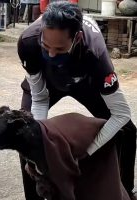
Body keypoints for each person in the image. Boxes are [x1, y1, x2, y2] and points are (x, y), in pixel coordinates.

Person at [17, 1, 137, 200]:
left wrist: (86, 152)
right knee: (24, 135)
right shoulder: (28, 42)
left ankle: (126, 191)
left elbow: (121, 114)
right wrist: (39, 138)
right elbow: (39, 97)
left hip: (85, 82)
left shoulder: (96, 54)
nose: (52, 53)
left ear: (77, 38)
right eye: (46, 47)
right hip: (47, 84)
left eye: (60, 48)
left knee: (127, 130)